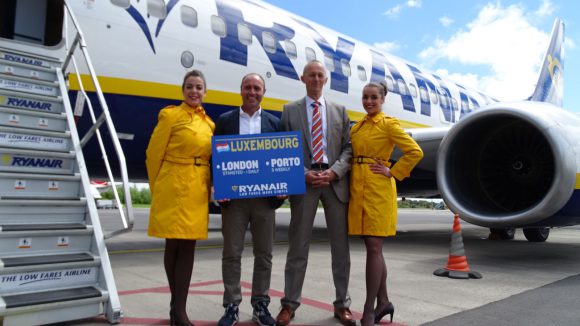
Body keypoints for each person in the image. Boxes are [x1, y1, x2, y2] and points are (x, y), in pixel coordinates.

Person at [276, 61, 354, 326]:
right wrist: (302, 173)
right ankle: (289, 304)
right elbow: (282, 150)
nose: (316, 79)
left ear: (326, 79)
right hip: (305, 182)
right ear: (303, 78)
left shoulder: (340, 112)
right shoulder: (289, 111)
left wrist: (334, 172)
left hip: (334, 183)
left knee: (340, 250)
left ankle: (342, 304)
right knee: (297, 248)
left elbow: (348, 149)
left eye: (321, 75)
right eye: (312, 75)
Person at [348, 82, 423, 326]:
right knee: (373, 248)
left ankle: (369, 308)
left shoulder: (388, 124)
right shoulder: (357, 128)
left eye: (373, 98)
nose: (369, 102)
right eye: (365, 97)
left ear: (382, 100)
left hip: (379, 191)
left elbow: (415, 152)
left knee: (373, 246)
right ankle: (384, 301)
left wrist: (393, 171)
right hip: (358, 191)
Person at [214, 73, 284, 326]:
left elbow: (281, 159)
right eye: (248, 87)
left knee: (264, 254)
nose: (252, 92)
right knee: (231, 253)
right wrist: (217, 186)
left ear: (263, 91)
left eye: (257, 88)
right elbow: (216, 158)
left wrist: (283, 187)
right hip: (235, 201)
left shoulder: (275, 123)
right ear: (240, 90)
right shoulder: (225, 121)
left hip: (264, 200)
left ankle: (260, 304)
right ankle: (231, 305)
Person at [146, 70, 214, 326]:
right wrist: (158, 188)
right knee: (173, 246)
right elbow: (153, 155)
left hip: (197, 188)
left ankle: (177, 309)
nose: (194, 91)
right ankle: (179, 311)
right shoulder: (170, 115)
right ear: (182, 90)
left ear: (205, 92)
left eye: (198, 87)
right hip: (173, 186)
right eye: (189, 87)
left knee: (188, 247)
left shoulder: (209, 124)